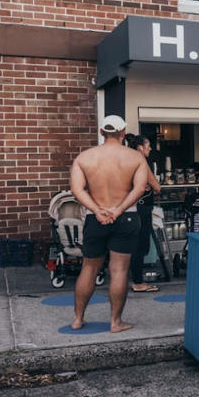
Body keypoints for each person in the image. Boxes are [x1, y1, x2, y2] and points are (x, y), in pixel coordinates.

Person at [69, 116, 148, 333]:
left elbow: (77, 190)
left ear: (102, 132)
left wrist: (97, 210)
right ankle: (115, 322)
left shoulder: (84, 158)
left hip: (97, 218)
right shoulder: (136, 157)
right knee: (119, 270)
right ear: (123, 133)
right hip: (126, 217)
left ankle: (77, 319)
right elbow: (139, 189)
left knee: (89, 268)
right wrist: (119, 210)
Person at [124, 134, 161, 293]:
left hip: (129, 208)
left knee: (132, 245)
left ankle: (130, 278)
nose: (150, 148)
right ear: (140, 148)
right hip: (142, 208)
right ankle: (138, 282)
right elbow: (156, 186)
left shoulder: (126, 160)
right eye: (148, 146)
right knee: (140, 246)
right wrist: (150, 185)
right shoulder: (141, 161)